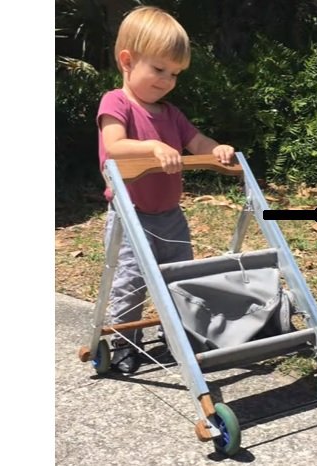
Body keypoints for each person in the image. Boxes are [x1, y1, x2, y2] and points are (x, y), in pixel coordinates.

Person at [96, 6, 235, 374]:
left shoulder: (170, 113)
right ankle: (126, 341)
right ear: (128, 60)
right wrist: (152, 148)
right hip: (130, 215)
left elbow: (197, 140)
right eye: (159, 69)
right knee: (131, 280)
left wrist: (215, 149)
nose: (167, 80)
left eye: (174, 74)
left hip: (170, 215)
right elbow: (113, 146)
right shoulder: (117, 103)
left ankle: (185, 337)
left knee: (181, 275)